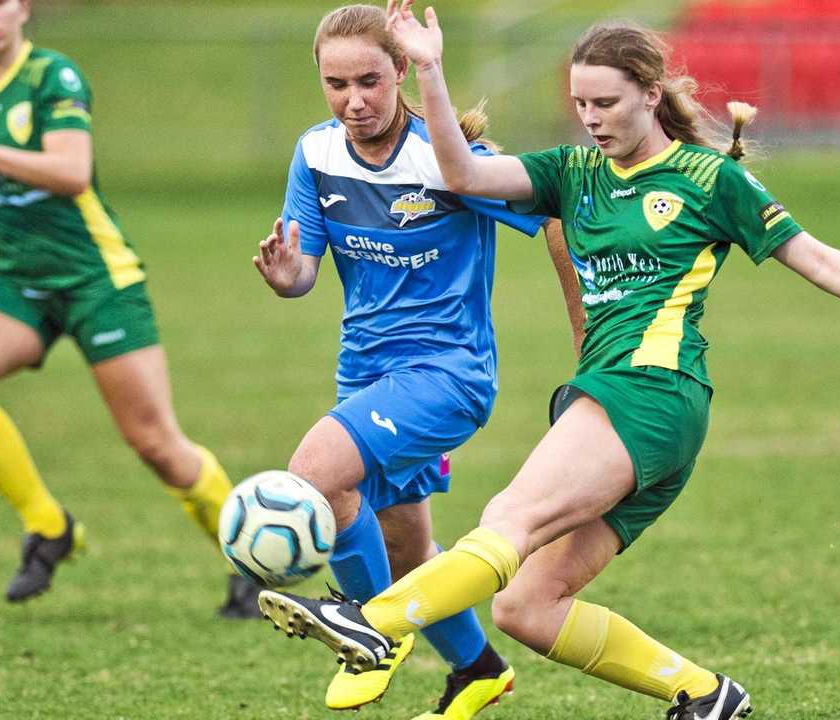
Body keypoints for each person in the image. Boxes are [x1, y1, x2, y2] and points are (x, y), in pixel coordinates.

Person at [256, 4, 840, 720]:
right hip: (633, 410)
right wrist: (434, 71)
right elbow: (462, 176)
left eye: (607, 102)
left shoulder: (706, 177)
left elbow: (813, 256)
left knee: (510, 515)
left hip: (651, 392)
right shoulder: (574, 172)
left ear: (651, 94)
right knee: (526, 606)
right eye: (579, 104)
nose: (591, 118)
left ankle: (374, 623)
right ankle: (703, 695)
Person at [250, 5, 575, 717]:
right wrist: (288, 276)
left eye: (369, 80)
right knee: (404, 550)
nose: (354, 101)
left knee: (316, 476)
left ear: (400, 71)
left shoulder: (449, 159)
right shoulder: (316, 153)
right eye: (336, 85)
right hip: (364, 373)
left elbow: (556, 218)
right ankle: (478, 669)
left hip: (448, 375)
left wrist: (592, 341)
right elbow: (304, 266)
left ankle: (370, 631)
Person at [0, 0, 259, 616]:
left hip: (97, 279)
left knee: (155, 443)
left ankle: (248, 561)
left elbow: (71, 173)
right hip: (18, 280)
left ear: (22, 9)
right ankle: (49, 528)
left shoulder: (54, 76)